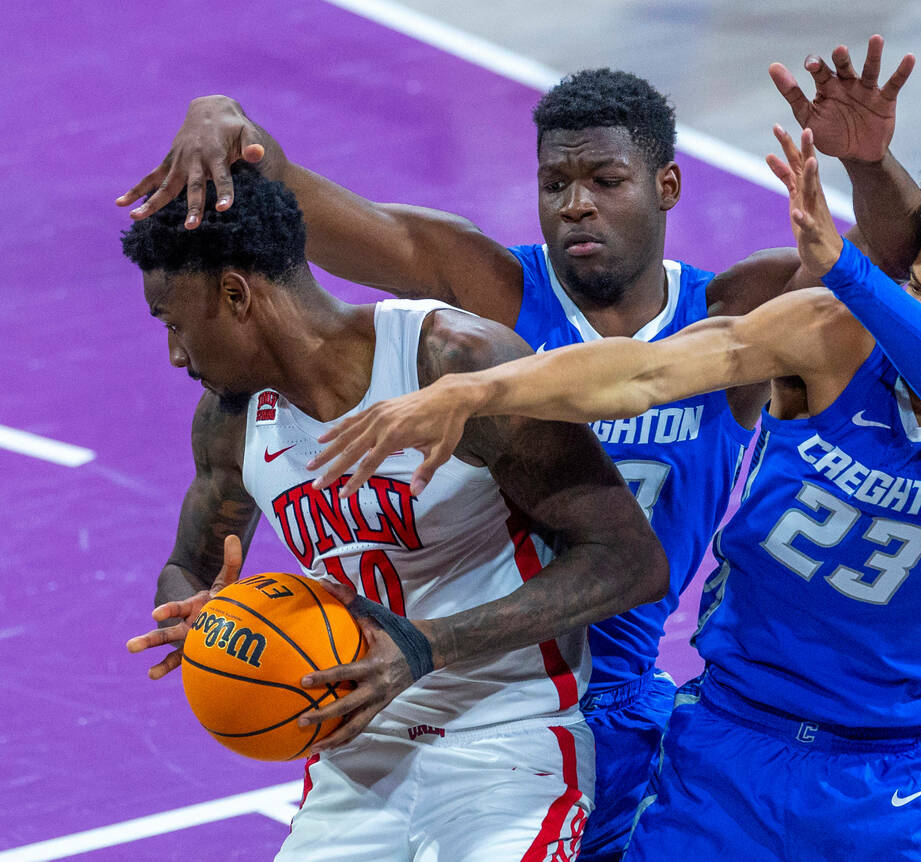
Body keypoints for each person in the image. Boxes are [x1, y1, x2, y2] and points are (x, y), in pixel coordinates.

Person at [117, 39, 919, 861]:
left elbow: (887, 278)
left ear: (665, 185)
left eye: (604, 182)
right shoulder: (488, 294)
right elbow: (298, 208)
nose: (576, 205)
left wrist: (872, 164)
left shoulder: (729, 322)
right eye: (554, 184)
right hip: (420, 687)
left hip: (600, 696)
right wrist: (218, 117)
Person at [305, 121, 921, 860]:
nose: (918, 318)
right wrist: (482, 391)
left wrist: (860, 278)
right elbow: (644, 368)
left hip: (883, 778)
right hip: (724, 745)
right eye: (917, 292)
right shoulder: (834, 343)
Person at [122, 164, 669, 862]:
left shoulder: (452, 363)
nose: (173, 355)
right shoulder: (231, 422)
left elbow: (630, 561)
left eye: (174, 323)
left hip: (506, 745)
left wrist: (423, 647)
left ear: (235, 295)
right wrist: (200, 615)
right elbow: (185, 566)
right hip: (355, 756)